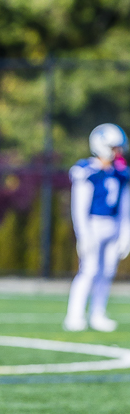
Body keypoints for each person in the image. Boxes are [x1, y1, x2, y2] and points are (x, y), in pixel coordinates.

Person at [63, 123, 130, 332]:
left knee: (107, 271)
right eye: (113, 147)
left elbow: (125, 206)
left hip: (113, 225)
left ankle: (98, 314)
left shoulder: (120, 173)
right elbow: (79, 206)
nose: (117, 152)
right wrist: (83, 234)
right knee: (89, 270)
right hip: (93, 225)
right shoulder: (88, 170)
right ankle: (74, 315)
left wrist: (126, 233)